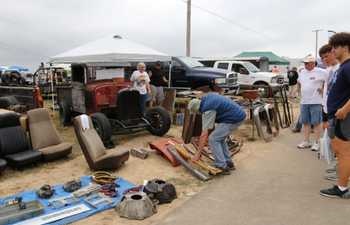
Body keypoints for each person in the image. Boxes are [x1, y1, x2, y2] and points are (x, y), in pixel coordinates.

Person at [320, 32, 350, 198]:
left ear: (344, 47)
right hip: (336, 116)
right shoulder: (343, 67)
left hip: (342, 117)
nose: (333, 52)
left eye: (334, 48)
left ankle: (342, 188)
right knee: (341, 151)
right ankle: (343, 183)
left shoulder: (348, 66)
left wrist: (344, 109)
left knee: (344, 152)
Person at [187, 92, 246, 175]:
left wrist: (198, 154)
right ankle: (227, 162)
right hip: (237, 114)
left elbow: (204, 134)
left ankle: (221, 165)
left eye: (197, 112)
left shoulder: (208, 109)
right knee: (219, 138)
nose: (198, 114)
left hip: (234, 118)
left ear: (198, 109)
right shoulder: (207, 98)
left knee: (213, 139)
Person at [297, 55, 328, 151]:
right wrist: (299, 93)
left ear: (313, 63)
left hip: (316, 101)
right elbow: (299, 82)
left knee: (316, 122)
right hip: (304, 102)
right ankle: (306, 141)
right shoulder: (302, 72)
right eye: (305, 63)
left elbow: (329, 82)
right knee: (305, 122)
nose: (305, 65)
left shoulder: (322, 72)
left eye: (307, 63)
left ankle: (317, 142)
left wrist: (323, 89)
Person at [319, 44, 340, 181]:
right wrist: (325, 116)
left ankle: (342, 173)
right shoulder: (329, 70)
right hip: (329, 111)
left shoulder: (341, 68)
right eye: (322, 57)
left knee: (340, 146)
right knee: (334, 145)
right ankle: (339, 168)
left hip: (339, 114)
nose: (325, 59)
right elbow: (328, 93)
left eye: (327, 56)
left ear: (334, 52)